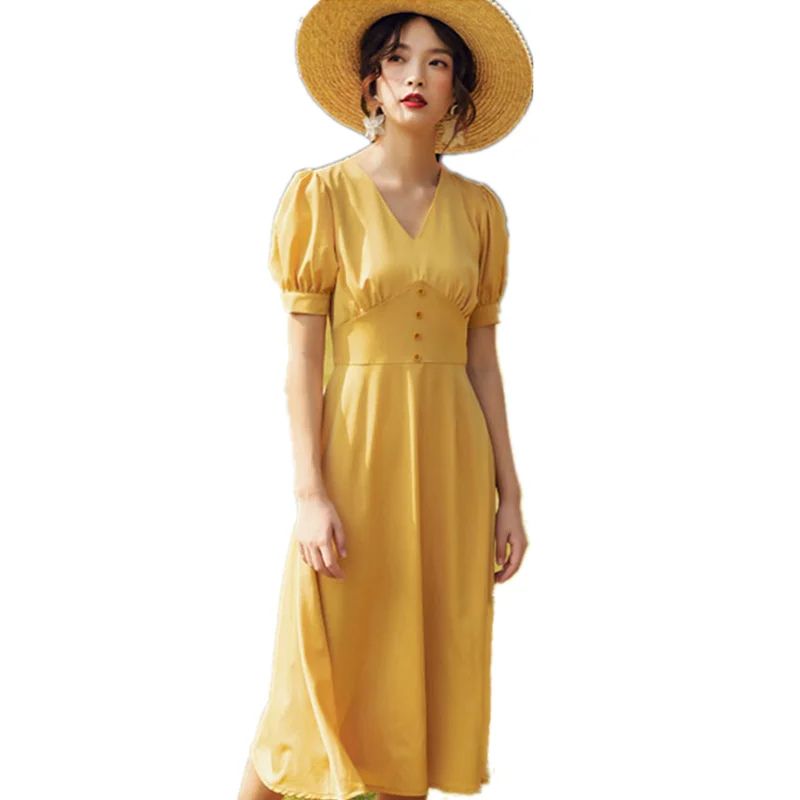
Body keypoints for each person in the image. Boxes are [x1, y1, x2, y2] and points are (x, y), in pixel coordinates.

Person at [238, 2, 533, 799]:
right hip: (357, 457)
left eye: (437, 62)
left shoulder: (480, 210)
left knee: (416, 688)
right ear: (370, 84)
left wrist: (510, 494)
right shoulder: (322, 195)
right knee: (313, 680)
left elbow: (484, 361)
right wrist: (309, 494)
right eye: (398, 59)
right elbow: (302, 359)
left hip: (452, 466)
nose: (415, 76)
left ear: (456, 89)